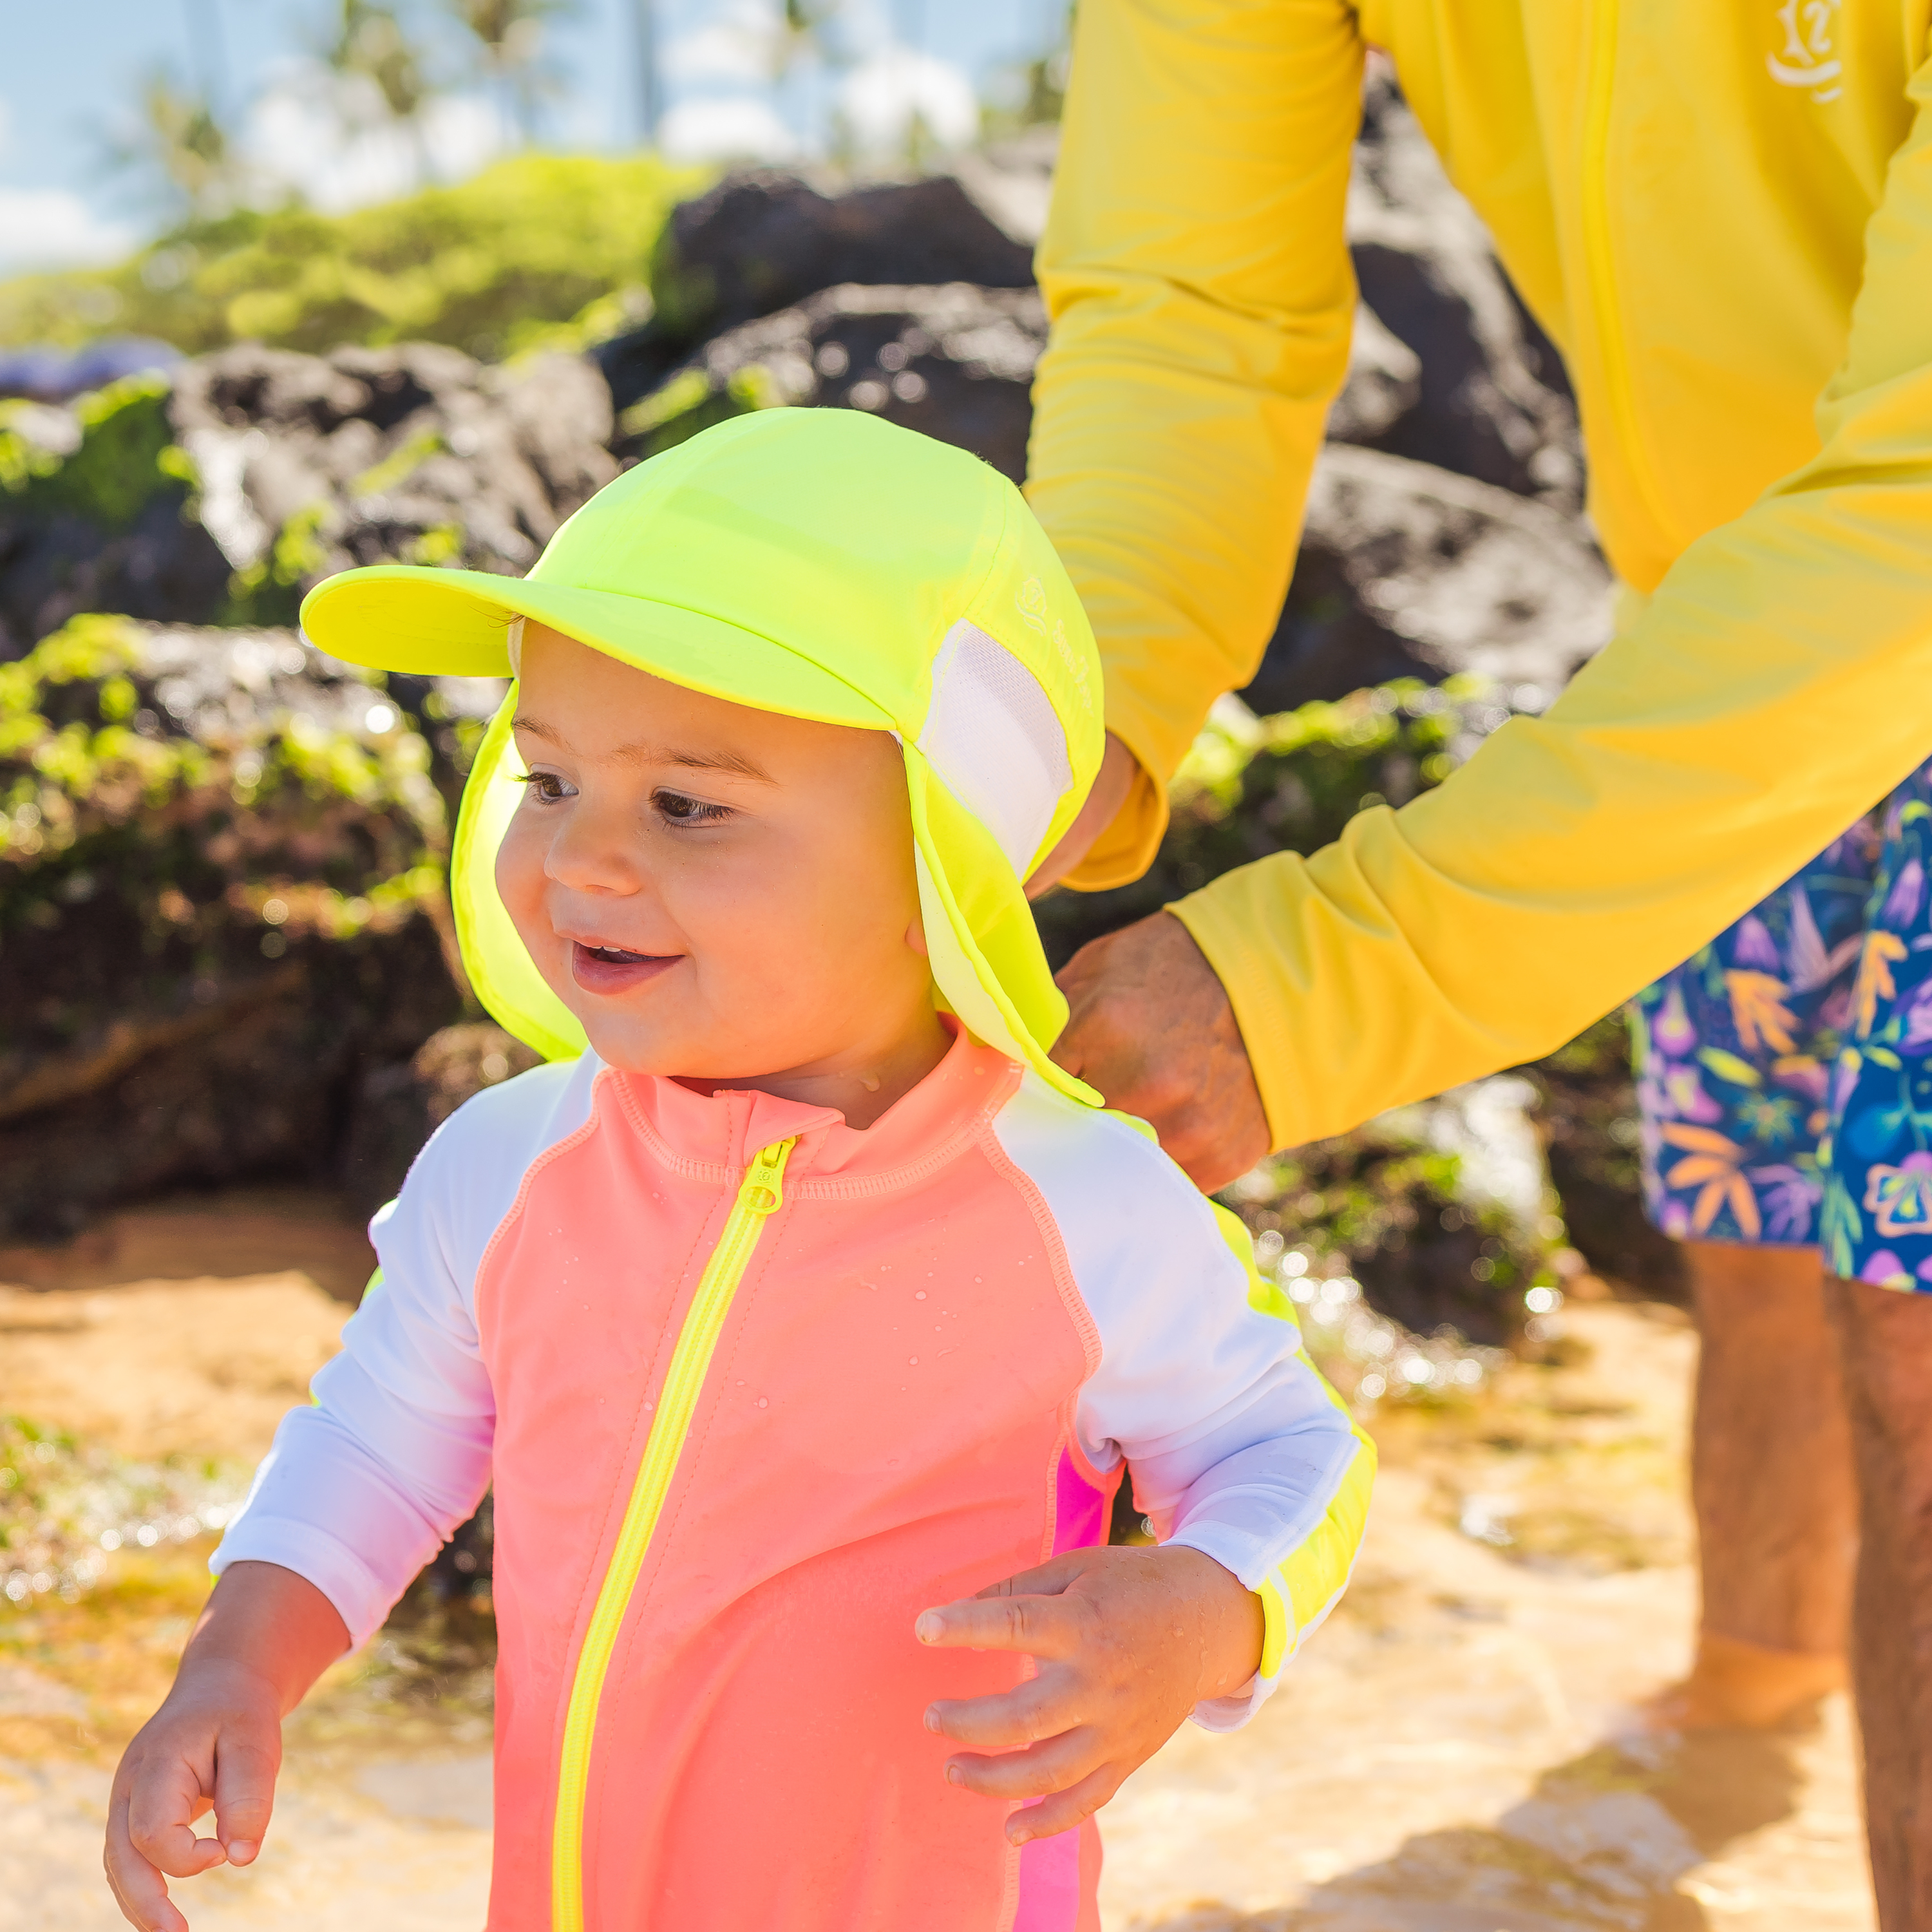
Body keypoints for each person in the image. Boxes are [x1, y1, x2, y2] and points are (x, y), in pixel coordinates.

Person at [101, 410, 1373, 1932]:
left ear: (938, 862)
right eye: (550, 777)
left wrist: (1211, 1609)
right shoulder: (510, 1169)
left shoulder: (1077, 1208)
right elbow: (379, 1442)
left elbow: (1299, 1464)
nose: (578, 860)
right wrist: (238, 1662)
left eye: (689, 805)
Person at [1016, 7, 1932, 1922]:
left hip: (1894, 537)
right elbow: (1192, 302)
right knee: (1755, 1225)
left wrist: (1329, 974)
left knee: (1919, 1321)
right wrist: (1046, 751)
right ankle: (1740, 1726)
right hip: (1726, 602)